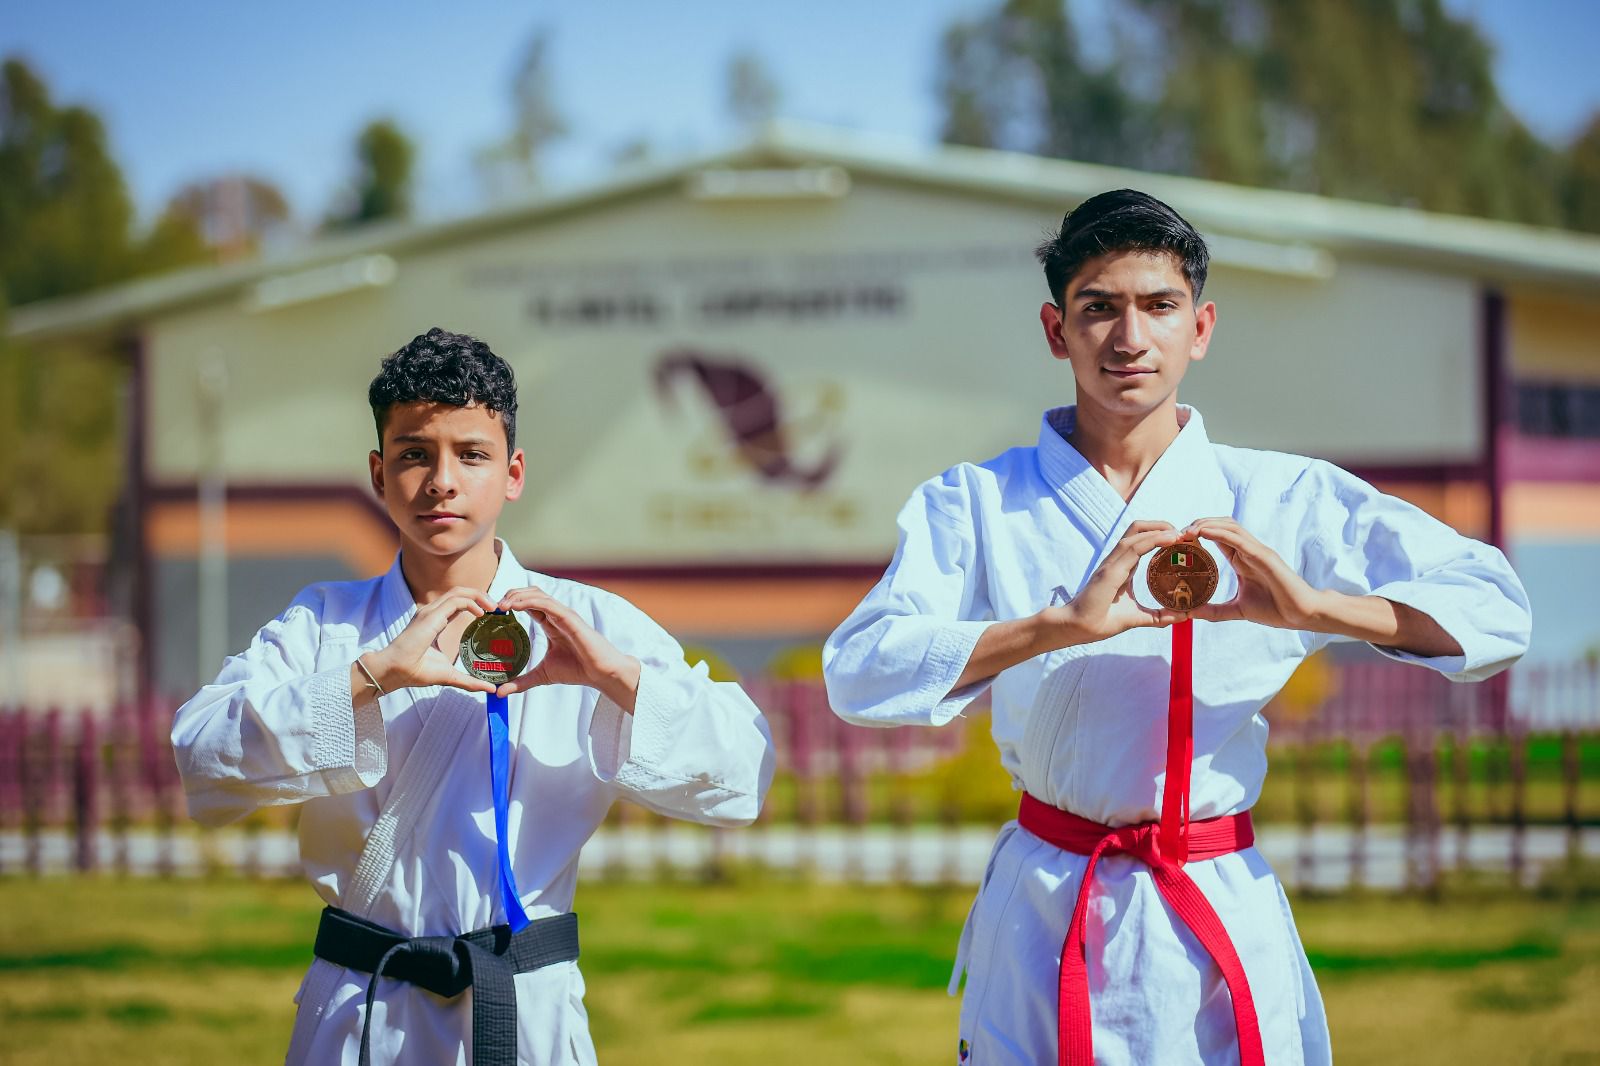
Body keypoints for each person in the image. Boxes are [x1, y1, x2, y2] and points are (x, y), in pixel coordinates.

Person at [821, 190, 1531, 1066]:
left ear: (1201, 327)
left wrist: (1317, 611)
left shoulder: (1279, 496)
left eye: (1159, 306)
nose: (1129, 338)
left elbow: (1495, 604)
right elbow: (858, 671)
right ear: (1056, 330)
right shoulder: (976, 503)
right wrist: (1057, 627)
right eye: (1098, 309)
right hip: (1048, 902)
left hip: (1212, 895)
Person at [172, 327, 776, 1066]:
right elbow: (200, 755)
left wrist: (615, 678)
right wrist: (370, 679)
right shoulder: (326, 622)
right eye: (415, 454)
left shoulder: (585, 624)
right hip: (364, 1008)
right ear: (378, 471)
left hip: (524, 1011)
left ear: (514, 472)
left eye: (473, 454)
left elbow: (744, 775)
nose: (442, 481)